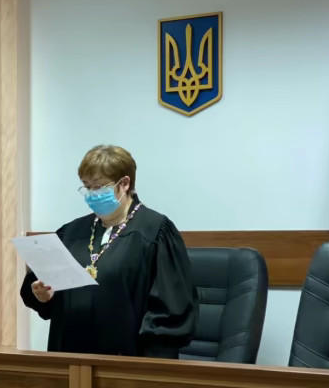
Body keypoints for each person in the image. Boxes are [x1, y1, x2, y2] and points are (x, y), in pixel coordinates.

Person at [20, 145, 198, 359]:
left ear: (124, 183)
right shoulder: (71, 232)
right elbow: (41, 289)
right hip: (70, 358)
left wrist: (148, 366)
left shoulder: (155, 232)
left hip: (129, 362)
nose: (91, 195)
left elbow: (171, 310)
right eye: (86, 186)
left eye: (98, 186)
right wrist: (43, 296)